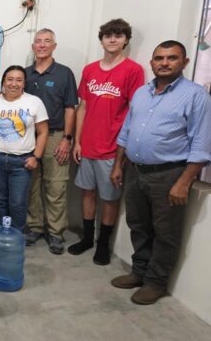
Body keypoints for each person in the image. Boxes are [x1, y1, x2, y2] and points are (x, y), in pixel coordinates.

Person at [110, 41, 211, 305]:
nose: (164, 63)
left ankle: (156, 283)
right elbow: (126, 132)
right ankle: (139, 272)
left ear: (185, 63)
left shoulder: (195, 95)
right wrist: (119, 165)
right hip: (135, 170)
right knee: (138, 225)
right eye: (159, 58)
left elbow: (201, 145)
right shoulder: (142, 93)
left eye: (172, 58)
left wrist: (184, 182)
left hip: (169, 174)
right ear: (152, 62)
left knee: (166, 232)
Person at [69, 18, 144, 265]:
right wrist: (77, 141)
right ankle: (87, 239)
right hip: (88, 145)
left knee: (110, 198)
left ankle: (103, 244)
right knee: (87, 193)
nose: (113, 39)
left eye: (118, 35)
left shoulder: (133, 70)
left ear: (126, 40)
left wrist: (122, 153)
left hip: (113, 148)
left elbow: (134, 111)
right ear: (101, 39)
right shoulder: (90, 70)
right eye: (108, 35)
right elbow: (83, 107)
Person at [24, 28, 78, 254]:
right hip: (29, 138)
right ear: (33, 47)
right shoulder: (25, 74)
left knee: (56, 186)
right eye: (38, 41)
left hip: (56, 136)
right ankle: (34, 226)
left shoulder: (64, 73)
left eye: (47, 41)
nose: (42, 45)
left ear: (54, 46)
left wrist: (67, 138)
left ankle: (55, 232)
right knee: (31, 186)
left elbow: (70, 108)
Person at [0, 65, 49, 230]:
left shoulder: (34, 102)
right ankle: (2, 236)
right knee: (1, 201)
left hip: (22, 162)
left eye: (19, 80)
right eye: (10, 79)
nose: (13, 84)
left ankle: (16, 238)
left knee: (18, 203)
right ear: (3, 82)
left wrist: (36, 157)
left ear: (24, 83)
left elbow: (43, 132)